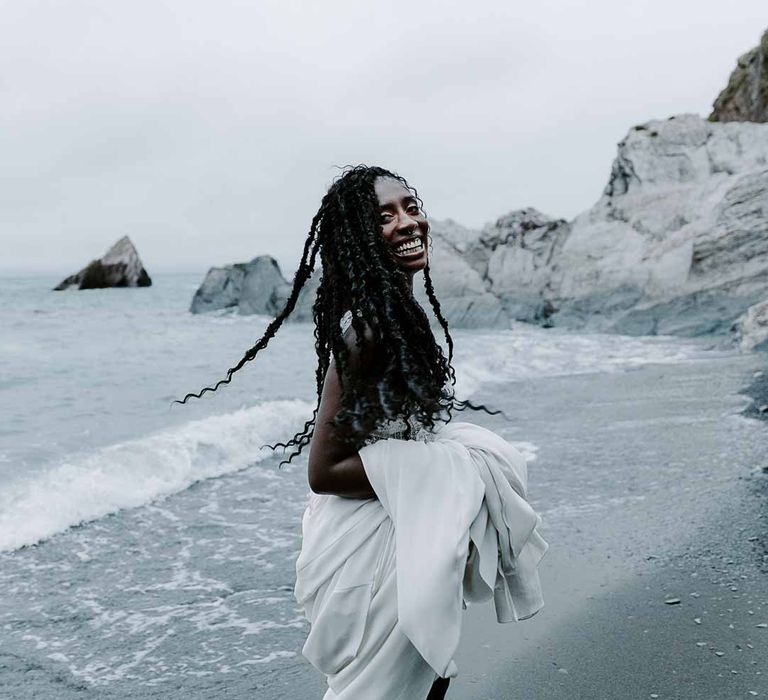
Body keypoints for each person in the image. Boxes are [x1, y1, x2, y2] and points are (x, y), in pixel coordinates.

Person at [179, 165, 547, 699]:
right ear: (358, 238)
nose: (407, 222)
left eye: (410, 207)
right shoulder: (367, 330)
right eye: (384, 217)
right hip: (373, 546)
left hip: (398, 525)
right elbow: (323, 471)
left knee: (424, 682)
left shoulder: (397, 314)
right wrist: (444, 470)